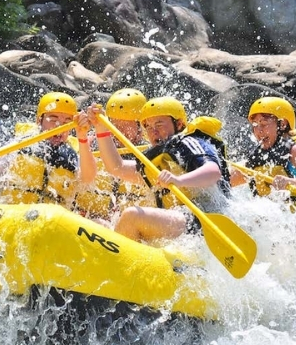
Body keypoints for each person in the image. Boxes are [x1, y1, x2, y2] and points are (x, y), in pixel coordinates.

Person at [87, 96, 232, 242]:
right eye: (149, 127)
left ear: (179, 124)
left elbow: (213, 171)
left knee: (131, 216)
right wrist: (100, 127)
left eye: (159, 124)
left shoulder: (189, 142)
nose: (153, 132)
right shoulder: (153, 158)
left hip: (205, 217)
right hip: (178, 221)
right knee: (100, 224)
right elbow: (117, 168)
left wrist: (178, 180)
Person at [229, 97, 296, 204]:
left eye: (264, 124)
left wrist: (290, 182)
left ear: (282, 124)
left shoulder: (295, 151)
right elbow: (226, 181)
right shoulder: (256, 157)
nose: (258, 131)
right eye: (255, 125)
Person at [74, 88, 155, 217]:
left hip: (129, 224)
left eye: (125, 126)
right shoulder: (92, 144)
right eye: (114, 125)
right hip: (93, 219)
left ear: (141, 128)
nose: (118, 132)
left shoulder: (151, 153)